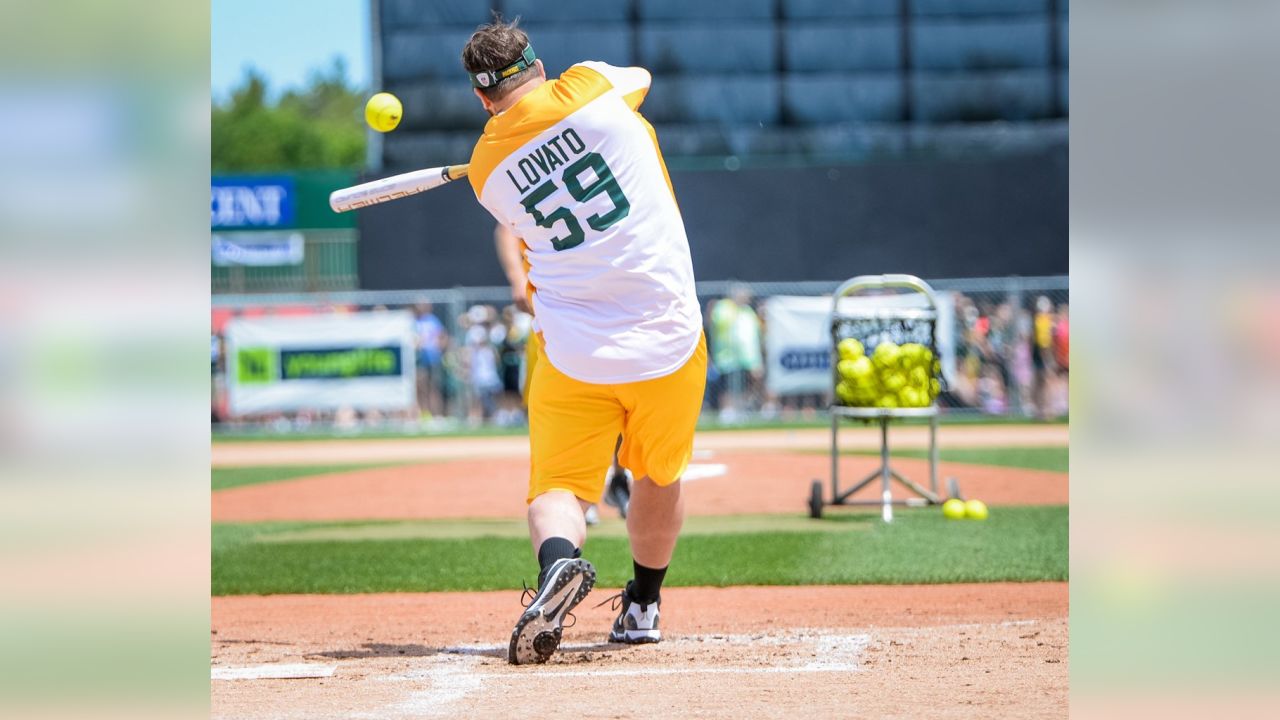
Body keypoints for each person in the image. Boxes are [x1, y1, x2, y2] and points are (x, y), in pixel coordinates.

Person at [463, 18, 706, 665]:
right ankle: (644, 605)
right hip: (667, 337)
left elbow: (523, 175)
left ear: (483, 98)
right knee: (656, 471)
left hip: (573, 347)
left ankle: (559, 565)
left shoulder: (486, 169)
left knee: (559, 485)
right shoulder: (592, 85)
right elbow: (642, 82)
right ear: (537, 67)